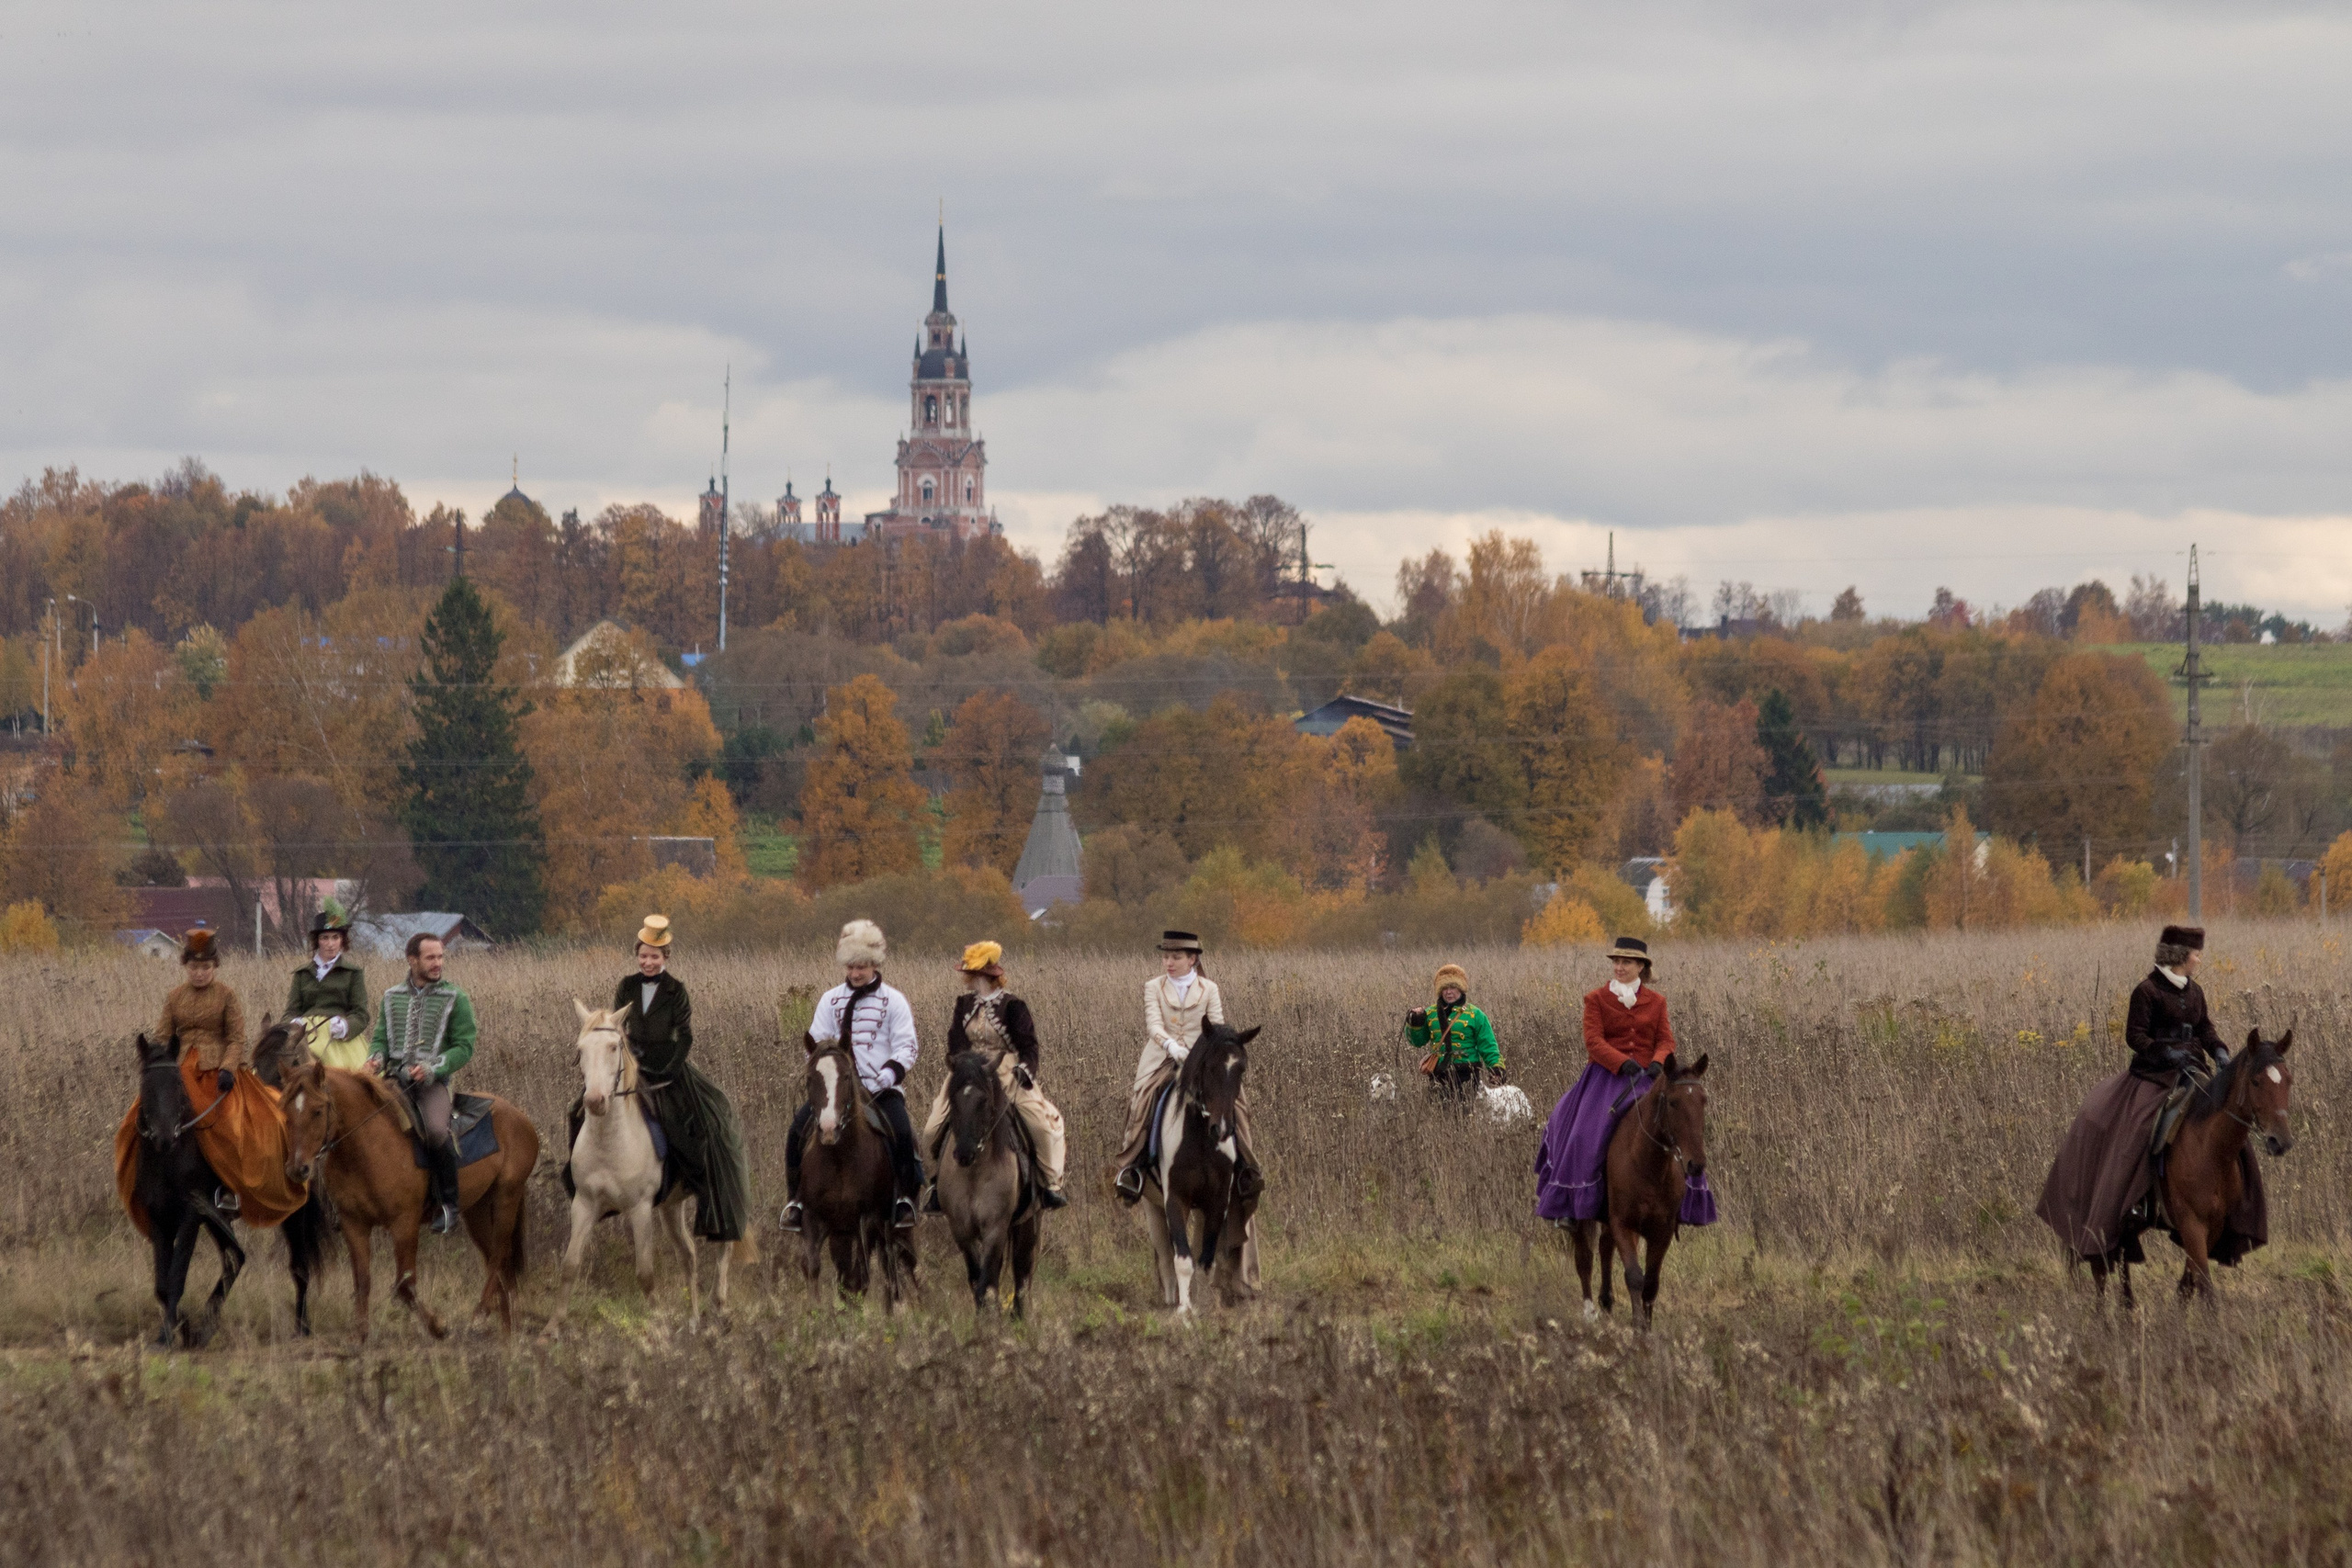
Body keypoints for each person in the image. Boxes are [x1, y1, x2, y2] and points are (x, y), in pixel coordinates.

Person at [2037, 924, 2265, 1267]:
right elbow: (2135, 1036)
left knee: (2230, 1125)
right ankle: (2137, 1203)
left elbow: (2204, 1028)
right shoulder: (2146, 991)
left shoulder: (2195, 990)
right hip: (2154, 1075)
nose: (2199, 960)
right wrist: (2164, 1051)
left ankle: (2237, 1209)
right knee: (2139, 1129)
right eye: (2196, 954)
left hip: (2192, 1070)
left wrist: (2218, 1050)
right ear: (2180, 955)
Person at [560, 915, 753, 1244]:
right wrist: (624, 1060)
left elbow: (685, 1036)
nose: (648, 962)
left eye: (654, 956)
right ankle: (578, 1176)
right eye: (643, 956)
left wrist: (670, 1068)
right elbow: (616, 1029)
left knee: (705, 1124)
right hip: (628, 1065)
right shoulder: (626, 985)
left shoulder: (676, 991)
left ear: (665, 958)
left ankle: (700, 1186)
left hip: (669, 1069)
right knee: (577, 1109)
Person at [1534, 937, 1716, 1226]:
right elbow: (1593, 1041)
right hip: (1605, 1078)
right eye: (1616, 962)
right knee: (1583, 1133)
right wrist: (1620, 1062)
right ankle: (1571, 1205)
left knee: (1679, 1122)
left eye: (1626, 962)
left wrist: (1658, 1061)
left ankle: (1684, 1201)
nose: (1619, 967)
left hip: (1647, 1077)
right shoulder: (1596, 999)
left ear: (1641, 966)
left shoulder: (1657, 1002)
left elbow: (1666, 1040)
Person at [785, 919, 922, 1233]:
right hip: (837, 1090)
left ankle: (904, 1199)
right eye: (850, 967)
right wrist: (825, 1073)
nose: (855, 973)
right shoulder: (830, 1000)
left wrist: (888, 1075)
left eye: (861, 967)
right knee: (795, 1132)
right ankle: (795, 1201)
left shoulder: (894, 1000)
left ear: (874, 964)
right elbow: (815, 1046)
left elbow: (907, 1046)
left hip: (880, 1089)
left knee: (903, 1132)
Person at [1112, 931, 1262, 1204]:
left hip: (1202, 1058)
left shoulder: (1209, 989)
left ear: (1192, 959)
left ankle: (1245, 1168)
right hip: (1161, 1057)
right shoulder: (1153, 987)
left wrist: (1201, 1052)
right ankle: (1133, 1168)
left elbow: (1216, 1026)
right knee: (1142, 1100)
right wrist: (1172, 1046)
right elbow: (1154, 1025)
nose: (1168, 962)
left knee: (1238, 1103)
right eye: (1166, 957)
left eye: (1176, 957)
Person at [921, 942, 1069, 1211]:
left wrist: (1024, 1070)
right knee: (932, 1127)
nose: (966, 978)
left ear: (983, 975)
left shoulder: (1013, 1005)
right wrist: (961, 1064)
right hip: (968, 1072)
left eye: (970, 973)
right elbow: (955, 1042)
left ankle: (1050, 1185)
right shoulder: (964, 1004)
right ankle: (934, 1184)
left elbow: (1029, 1047)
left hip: (1007, 1071)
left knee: (1041, 1125)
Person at [368, 932, 477, 1236]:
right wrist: (375, 1059)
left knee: (436, 1131)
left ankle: (448, 1205)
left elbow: (464, 1046)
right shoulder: (391, 996)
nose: (437, 963)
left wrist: (432, 1067)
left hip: (432, 1084)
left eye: (440, 956)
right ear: (412, 960)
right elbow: (380, 1038)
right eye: (431, 957)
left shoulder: (456, 997)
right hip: (393, 1080)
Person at [155, 925, 251, 1214]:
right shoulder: (174, 997)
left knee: (229, 1123)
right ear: (186, 966)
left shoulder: (227, 995)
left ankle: (228, 1188)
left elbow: (237, 1038)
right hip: (180, 1070)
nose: (200, 973)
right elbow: (162, 1037)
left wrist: (228, 1068)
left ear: (214, 966)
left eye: (206, 967)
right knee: (145, 1117)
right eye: (195, 967)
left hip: (216, 1072)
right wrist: (158, 1067)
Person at [284, 899, 369, 1071]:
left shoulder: (353, 973)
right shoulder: (302, 973)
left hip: (337, 1039)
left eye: (335, 937)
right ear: (318, 941)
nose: (330, 944)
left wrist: (346, 1026)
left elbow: (361, 1014)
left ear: (342, 940)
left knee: (350, 1078)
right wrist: (293, 1024)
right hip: (305, 1037)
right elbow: (290, 1012)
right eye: (325, 938)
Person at [1407, 963, 1504, 1101]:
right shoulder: (1429, 1013)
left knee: (1467, 1112)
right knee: (1439, 1112)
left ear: (1461, 988)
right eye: (1444, 988)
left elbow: (1488, 1045)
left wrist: (1496, 1068)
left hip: (1468, 1075)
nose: (1448, 992)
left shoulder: (1475, 1014)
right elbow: (1417, 1041)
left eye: (1453, 987)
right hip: (1439, 1075)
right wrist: (1415, 1022)